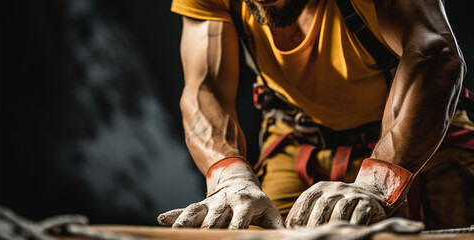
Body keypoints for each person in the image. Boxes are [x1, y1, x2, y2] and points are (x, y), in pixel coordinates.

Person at [158, 0, 474, 230]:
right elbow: (205, 87)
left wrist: (378, 183)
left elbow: (435, 54)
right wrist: (229, 177)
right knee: (249, 228)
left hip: (418, 136)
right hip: (298, 141)